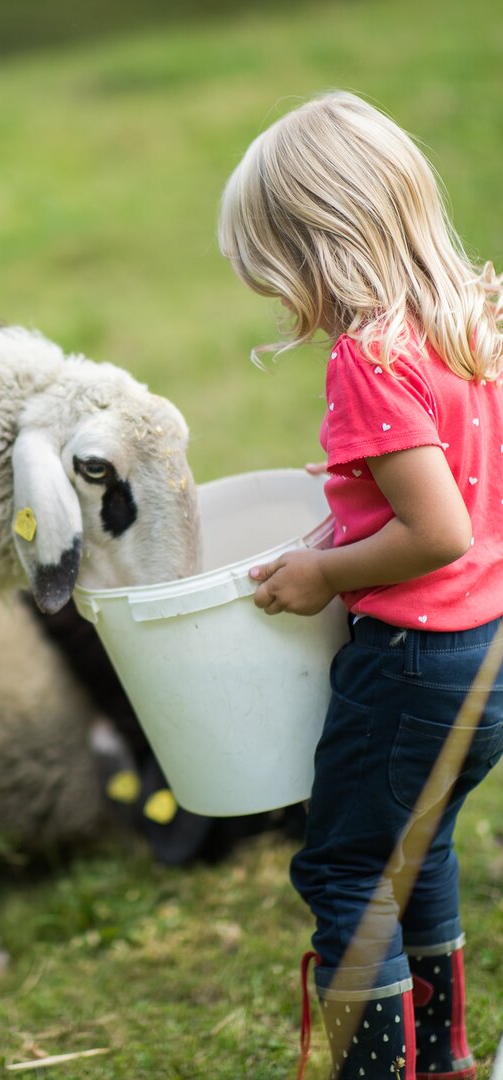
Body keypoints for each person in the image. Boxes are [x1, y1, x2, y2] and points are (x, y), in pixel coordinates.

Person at [217, 90, 503, 1080]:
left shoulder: (367, 359)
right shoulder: (469, 324)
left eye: (277, 273)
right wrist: (351, 500)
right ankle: (444, 1058)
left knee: (343, 868)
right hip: (486, 659)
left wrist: (321, 571)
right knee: (414, 849)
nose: (282, 300)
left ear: (321, 247)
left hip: (409, 663)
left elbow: (436, 528)